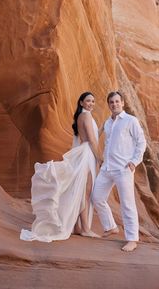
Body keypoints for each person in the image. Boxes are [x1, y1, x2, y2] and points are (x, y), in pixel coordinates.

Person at [20, 92, 101, 242]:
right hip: (87, 155)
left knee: (82, 191)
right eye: (88, 101)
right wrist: (100, 159)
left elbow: (93, 135)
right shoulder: (87, 116)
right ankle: (85, 229)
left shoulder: (82, 116)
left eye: (93, 101)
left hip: (85, 153)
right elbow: (91, 140)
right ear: (81, 103)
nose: (91, 103)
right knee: (85, 192)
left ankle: (78, 227)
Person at [92, 91, 146, 252]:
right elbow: (99, 138)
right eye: (111, 102)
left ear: (122, 103)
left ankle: (132, 239)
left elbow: (141, 142)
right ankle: (111, 227)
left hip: (123, 169)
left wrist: (134, 162)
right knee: (97, 197)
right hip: (107, 168)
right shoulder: (108, 123)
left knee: (127, 204)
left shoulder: (131, 121)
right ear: (108, 105)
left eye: (117, 101)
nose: (114, 104)